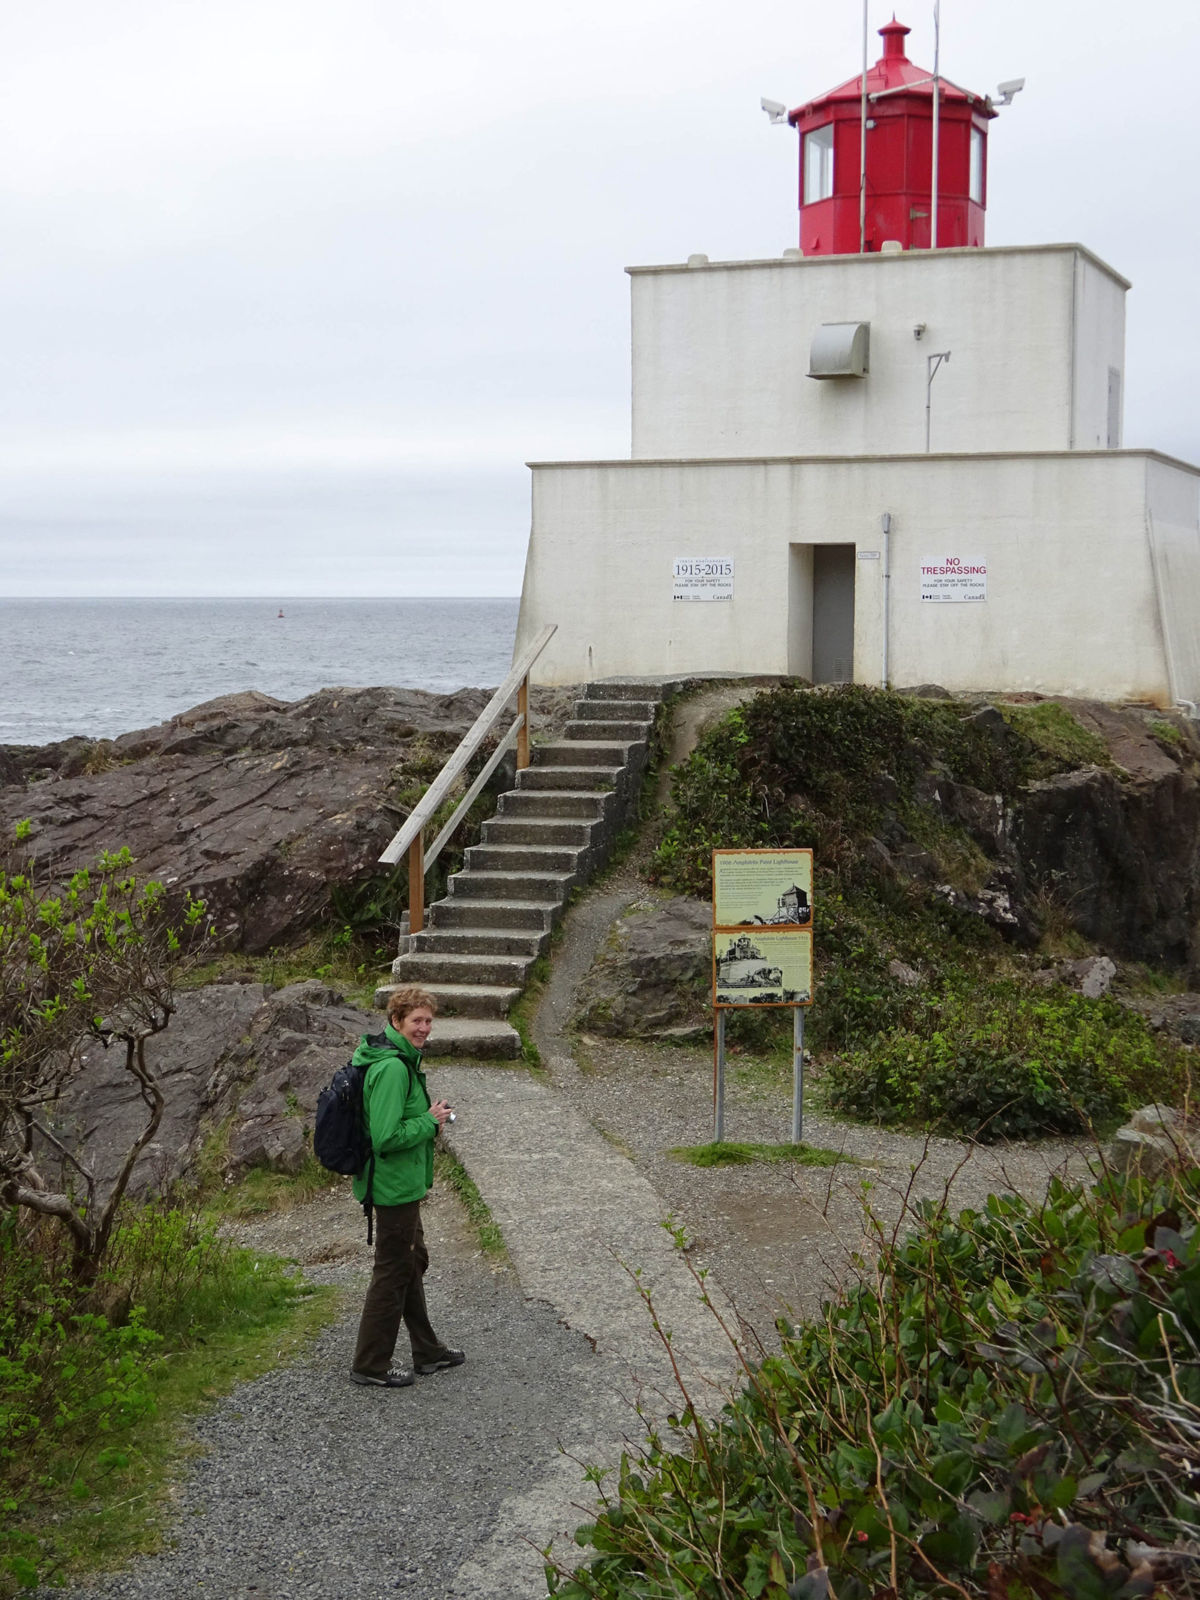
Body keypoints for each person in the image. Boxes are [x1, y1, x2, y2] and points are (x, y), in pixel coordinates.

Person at [349, 985, 465, 1388]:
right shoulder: (394, 1068)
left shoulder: (400, 1059)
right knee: (393, 1271)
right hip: (392, 1188)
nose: (424, 1028)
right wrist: (429, 1122)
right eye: (417, 1020)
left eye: (429, 1021)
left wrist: (426, 1119)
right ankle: (370, 1364)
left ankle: (428, 1351)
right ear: (396, 1021)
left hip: (402, 1186)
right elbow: (385, 1137)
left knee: (410, 1262)